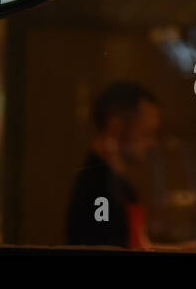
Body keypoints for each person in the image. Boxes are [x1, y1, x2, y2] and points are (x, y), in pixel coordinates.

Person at [65, 81, 161, 248]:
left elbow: (137, 245)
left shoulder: (116, 183)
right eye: (146, 133)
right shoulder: (97, 186)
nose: (152, 143)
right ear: (115, 127)